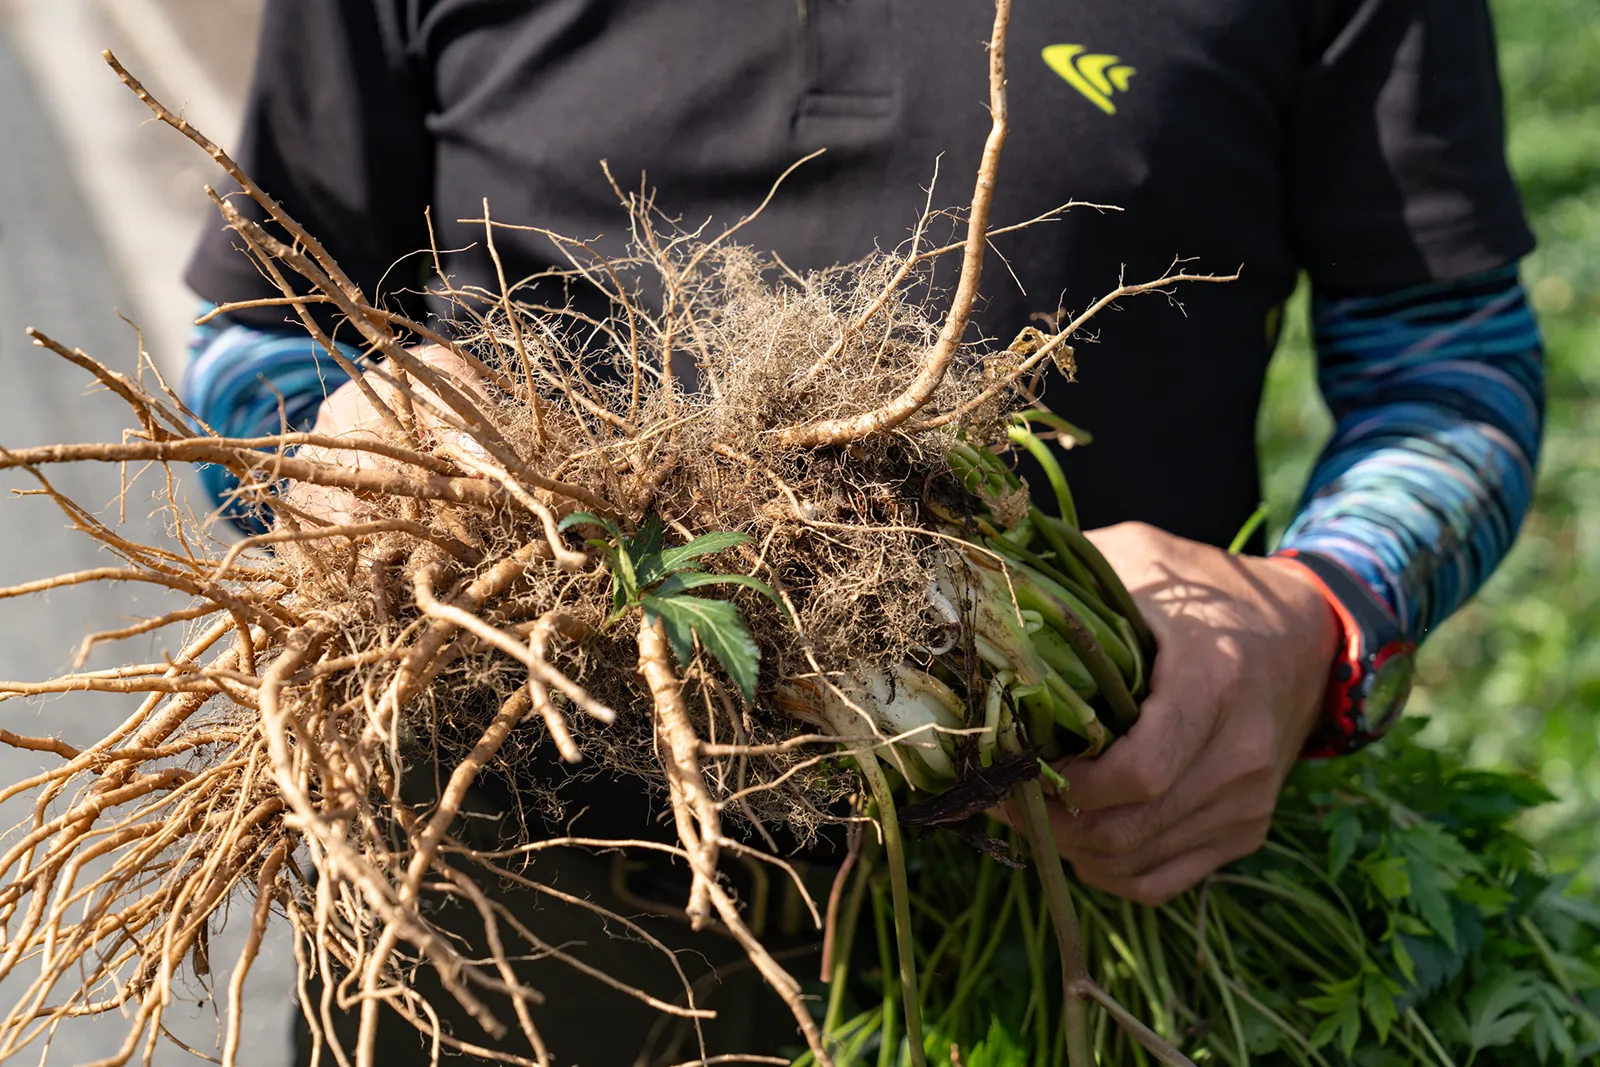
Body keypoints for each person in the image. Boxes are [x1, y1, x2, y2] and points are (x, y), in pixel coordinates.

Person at [181, 0, 1544, 1060]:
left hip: (1094, 911)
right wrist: (324, 450)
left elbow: (1450, 361)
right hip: (503, 913)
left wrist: (1320, 612)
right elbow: (256, 344)